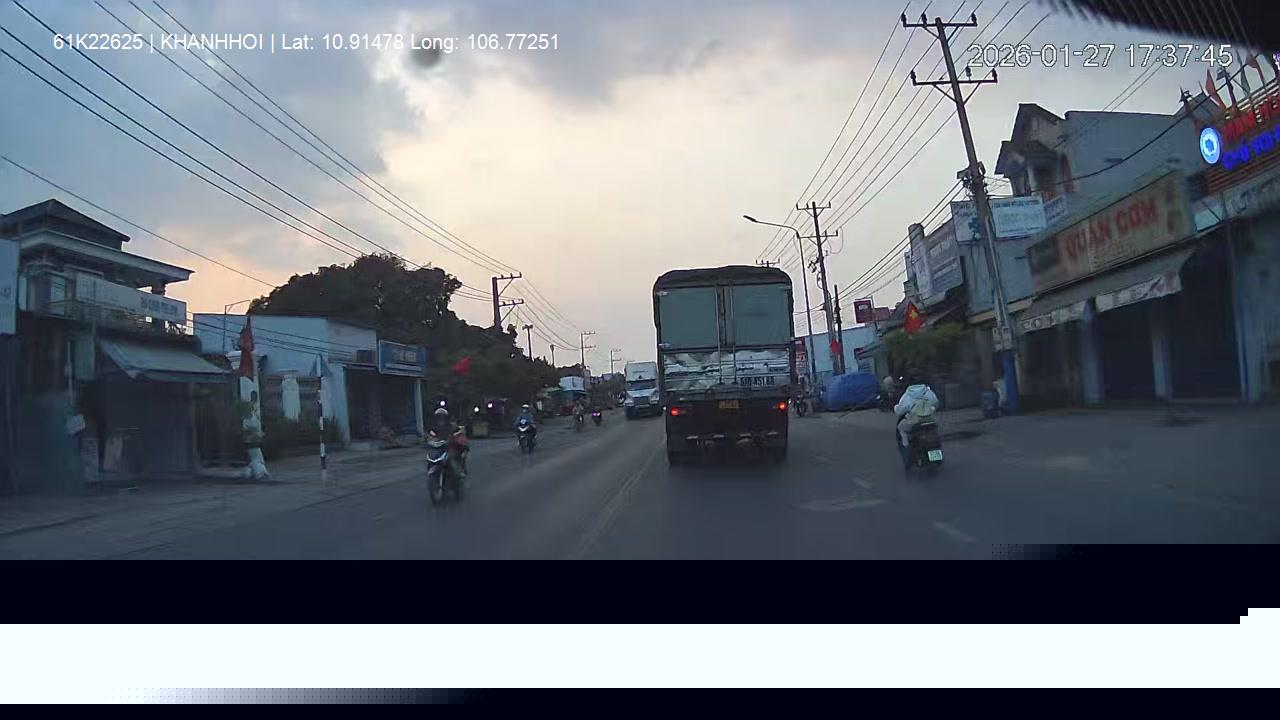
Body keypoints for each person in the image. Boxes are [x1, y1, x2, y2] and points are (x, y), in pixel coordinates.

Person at [893, 367, 939, 468]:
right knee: (935, 434)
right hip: (930, 420)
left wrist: (896, 408)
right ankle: (936, 457)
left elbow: (901, 410)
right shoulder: (927, 391)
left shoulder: (908, 394)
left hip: (914, 421)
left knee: (901, 428)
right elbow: (936, 402)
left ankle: (906, 445)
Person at [428, 407, 467, 479]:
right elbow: (430, 437)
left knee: (453, 461)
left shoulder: (451, 427)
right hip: (439, 450)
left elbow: (458, 433)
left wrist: (454, 439)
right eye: (439, 417)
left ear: (446, 418)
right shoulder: (434, 429)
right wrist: (430, 442)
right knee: (430, 458)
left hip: (450, 448)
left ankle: (459, 473)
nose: (441, 419)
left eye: (442, 417)